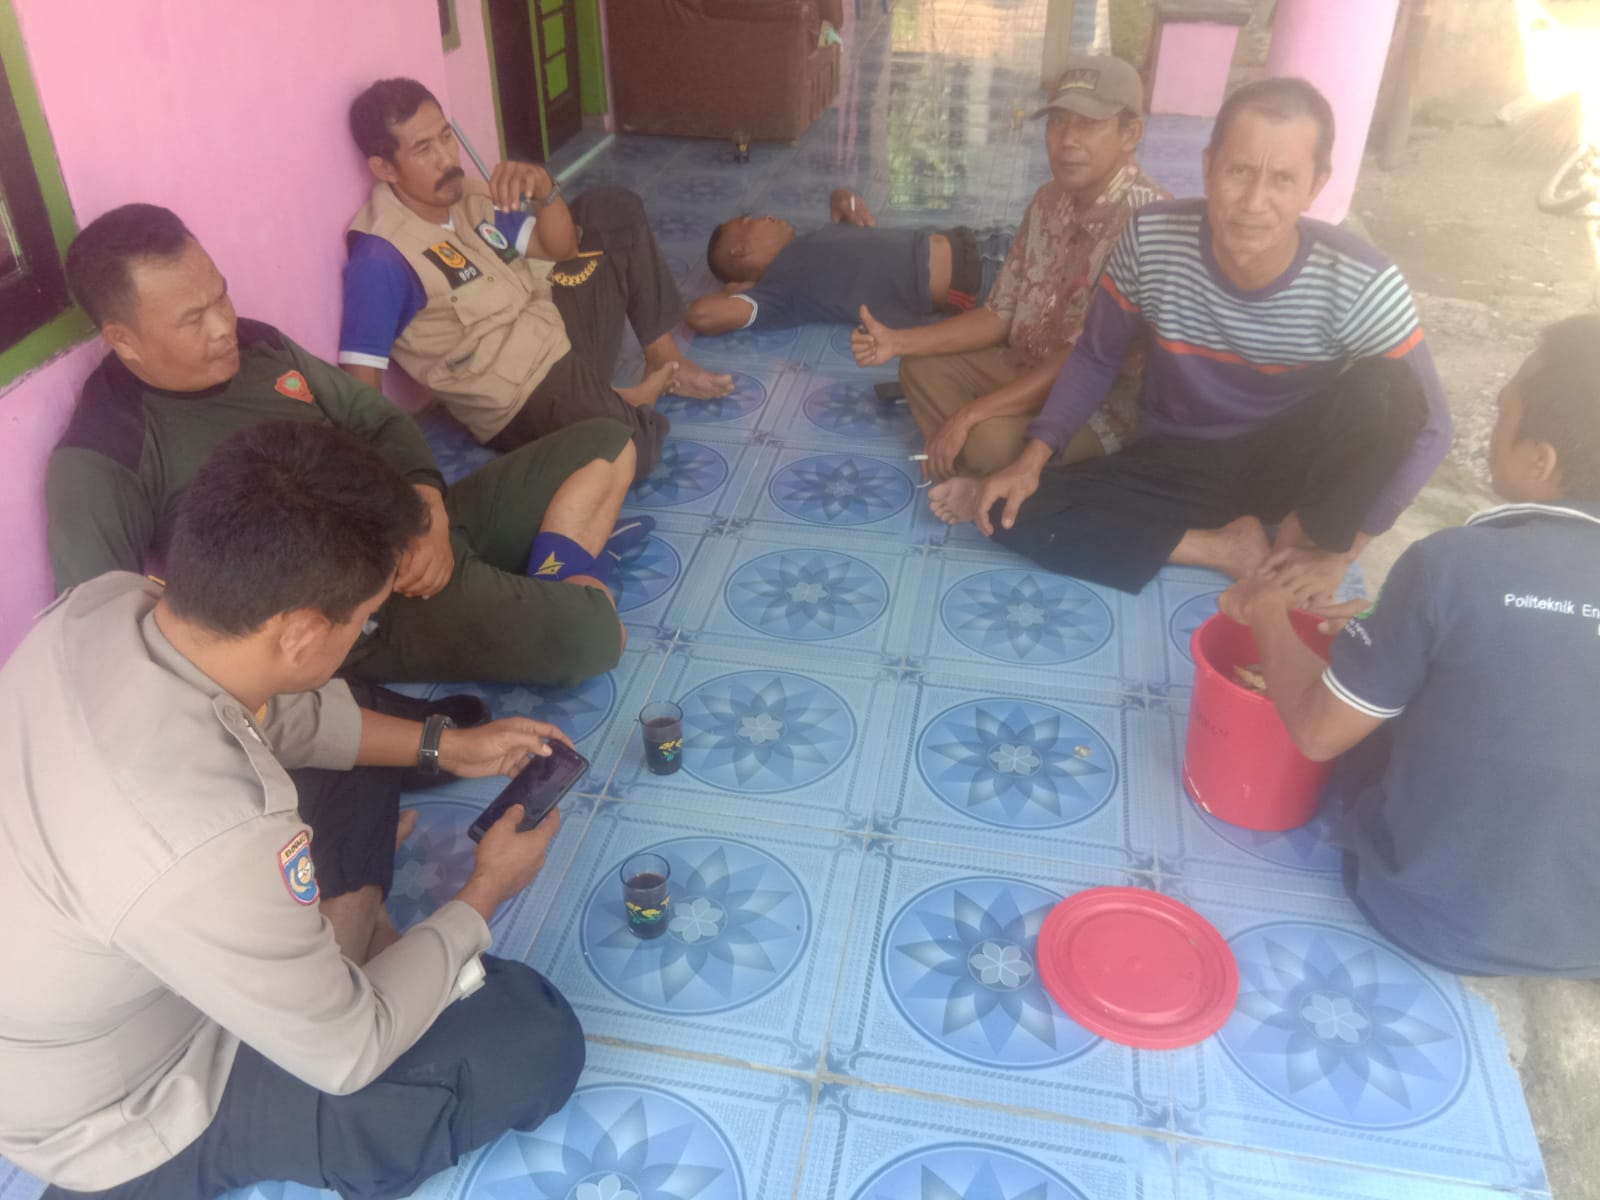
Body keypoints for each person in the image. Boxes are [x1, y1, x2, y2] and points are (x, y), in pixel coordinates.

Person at [0, 419, 586, 1199]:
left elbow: (277, 710)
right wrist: (485, 892)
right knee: (530, 1034)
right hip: (124, 1095)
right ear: (305, 632)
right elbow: (350, 1052)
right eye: (365, 618)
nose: (365, 628)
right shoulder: (206, 839)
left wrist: (448, 747)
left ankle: (324, 960)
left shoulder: (105, 604)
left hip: (108, 923)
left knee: (366, 750)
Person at [48, 203, 645, 688]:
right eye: (191, 319)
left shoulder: (259, 347)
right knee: (598, 638)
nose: (223, 326)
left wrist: (428, 509)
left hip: (411, 528)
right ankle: (558, 585)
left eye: (220, 297)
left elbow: (380, 421)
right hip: (361, 616)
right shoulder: (104, 453)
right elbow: (102, 631)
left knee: (608, 442)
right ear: (123, 339)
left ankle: (547, 584)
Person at [928, 77, 1452, 607]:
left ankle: (1308, 543)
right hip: (1177, 457)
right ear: (1208, 167)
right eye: (1239, 171)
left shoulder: (1362, 280)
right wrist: (1033, 458)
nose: (1254, 202)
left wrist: (1345, 552)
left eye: (1283, 179)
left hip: (1289, 462)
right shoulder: (1151, 238)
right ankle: (1223, 547)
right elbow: (1096, 355)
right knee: (1007, 510)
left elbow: (1432, 427)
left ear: (1315, 186)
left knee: (1388, 387)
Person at [1217, 315, 1600, 977]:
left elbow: (1316, 732)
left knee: (1357, 721)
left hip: (1427, 917)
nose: (1492, 430)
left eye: (1504, 413)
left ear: (1542, 461)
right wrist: (1392, 627)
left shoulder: (1456, 563)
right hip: (1585, 946)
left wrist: (1268, 609)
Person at [339, 78, 733, 477]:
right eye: (424, 149)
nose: (447, 159)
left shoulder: (467, 196)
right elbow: (360, 380)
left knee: (613, 208)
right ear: (384, 167)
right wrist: (390, 475)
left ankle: (664, 361)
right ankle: (628, 401)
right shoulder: (382, 256)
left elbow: (561, 250)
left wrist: (545, 191)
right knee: (635, 449)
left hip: (551, 331)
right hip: (519, 394)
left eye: (446, 136)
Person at [848, 55, 1170, 478]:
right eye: (1058, 121)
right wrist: (896, 341)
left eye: (1090, 124)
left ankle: (1003, 468)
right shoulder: (1048, 200)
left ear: (1131, 134)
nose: (1067, 140)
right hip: (1023, 366)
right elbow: (999, 313)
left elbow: (1083, 364)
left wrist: (970, 414)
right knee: (918, 367)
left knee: (988, 442)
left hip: (1095, 404)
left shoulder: (1146, 223)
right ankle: (999, 464)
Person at [688, 190, 1012, 335]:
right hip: (981, 279)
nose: (767, 216)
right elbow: (701, 315)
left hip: (982, 241)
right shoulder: (778, 292)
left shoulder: (809, 243)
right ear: (739, 251)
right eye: (750, 221)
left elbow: (853, 232)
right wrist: (742, 291)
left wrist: (842, 197)